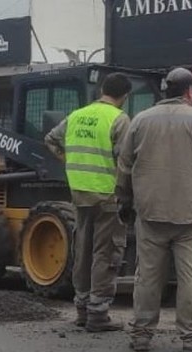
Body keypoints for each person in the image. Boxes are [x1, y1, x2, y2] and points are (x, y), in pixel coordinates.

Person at [116, 67, 192, 352]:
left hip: (151, 211)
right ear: (189, 92)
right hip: (191, 215)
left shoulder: (140, 121)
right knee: (191, 277)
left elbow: (124, 167)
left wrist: (126, 202)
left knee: (147, 277)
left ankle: (141, 334)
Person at [45, 73, 132, 332]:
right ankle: (98, 313)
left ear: (102, 89)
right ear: (125, 96)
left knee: (82, 251)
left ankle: (82, 308)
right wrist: (128, 192)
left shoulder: (77, 115)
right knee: (105, 253)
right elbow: (126, 162)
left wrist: (68, 161)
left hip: (80, 193)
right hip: (108, 196)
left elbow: (50, 139)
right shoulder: (119, 119)